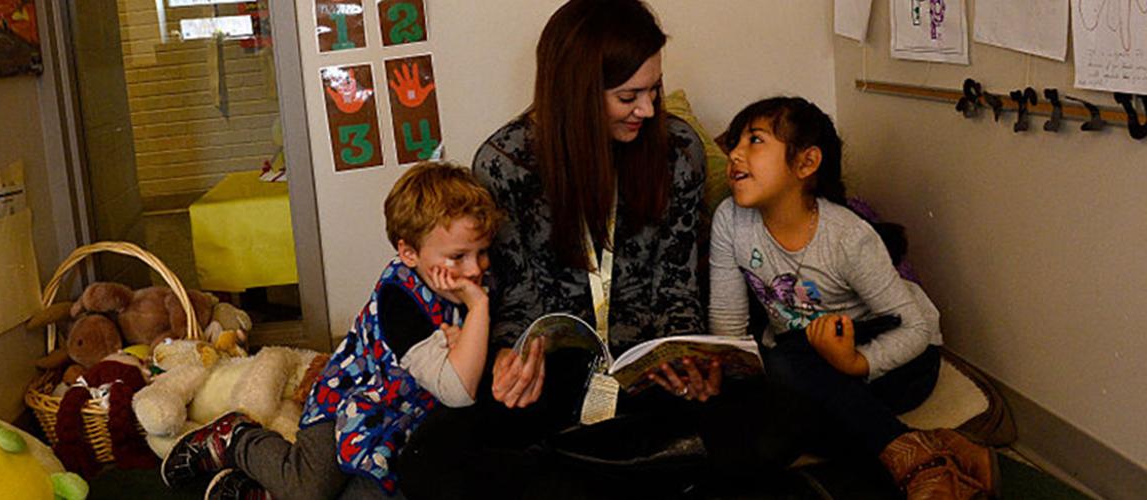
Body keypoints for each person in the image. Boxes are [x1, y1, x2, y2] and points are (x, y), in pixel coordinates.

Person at [398, 2, 794, 498]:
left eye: (653, 89)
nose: (648, 109)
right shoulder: (505, 163)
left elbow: (675, 286)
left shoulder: (678, 151)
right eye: (629, 96)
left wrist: (688, 359)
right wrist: (510, 354)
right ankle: (630, 471)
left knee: (775, 424)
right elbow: (517, 295)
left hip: (647, 371)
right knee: (424, 463)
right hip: (557, 368)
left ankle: (587, 469)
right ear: (577, 93)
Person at [708, 96, 996, 499]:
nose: (735, 153)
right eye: (735, 142)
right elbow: (728, 324)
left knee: (792, 369)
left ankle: (922, 468)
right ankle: (934, 444)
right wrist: (727, 371)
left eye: (754, 141)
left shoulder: (847, 236)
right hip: (807, 359)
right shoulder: (730, 219)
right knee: (784, 409)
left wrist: (857, 362)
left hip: (893, 358)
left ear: (806, 163)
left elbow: (912, 327)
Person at [159, 161, 501, 499]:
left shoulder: (470, 284)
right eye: (457, 256)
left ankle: (260, 491)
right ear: (408, 253)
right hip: (347, 402)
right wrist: (478, 309)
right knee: (309, 488)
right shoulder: (401, 299)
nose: (474, 269)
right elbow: (458, 390)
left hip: (403, 421)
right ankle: (238, 439)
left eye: (482, 252)